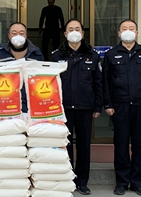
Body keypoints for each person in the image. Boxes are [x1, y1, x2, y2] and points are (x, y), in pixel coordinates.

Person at [102, 19, 141, 197]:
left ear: (137, 32)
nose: (128, 31)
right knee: (120, 146)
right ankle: (121, 182)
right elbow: (105, 82)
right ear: (119, 33)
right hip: (120, 106)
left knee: (140, 146)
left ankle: (138, 183)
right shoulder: (111, 54)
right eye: (124, 28)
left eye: (131, 28)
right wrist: (108, 104)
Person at [51, 19, 102, 196]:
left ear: (82, 33)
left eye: (77, 29)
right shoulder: (56, 56)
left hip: (85, 107)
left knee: (83, 145)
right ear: (65, 34)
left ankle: (82, 181)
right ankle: (67, 179)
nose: (74, 32)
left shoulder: (92, 55)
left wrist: (97, 106)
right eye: (70, 29)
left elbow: (98, 83)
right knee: (64, 144)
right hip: (63, 108)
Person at [0, 21, 44, 113]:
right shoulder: (0, 55)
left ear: (26, 35)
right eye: (14, 33)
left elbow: (42, 79)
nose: (18, 36)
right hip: (6, 103)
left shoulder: (36, 55)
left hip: (31, 104)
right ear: (9, 36)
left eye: (21, 33)